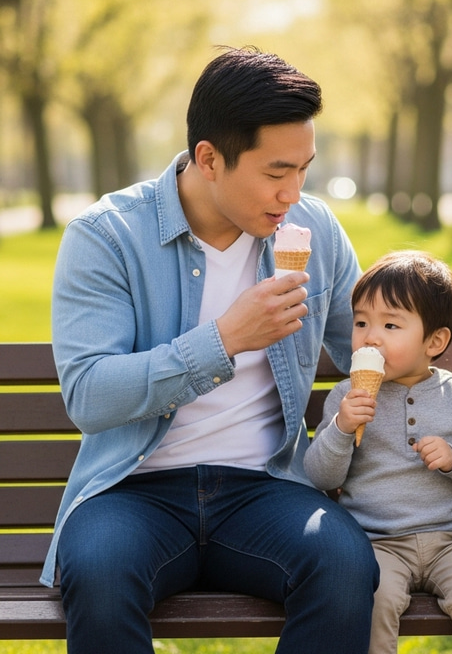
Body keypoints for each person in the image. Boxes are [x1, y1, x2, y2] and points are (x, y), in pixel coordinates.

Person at [43, 46, 379, 654]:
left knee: (344, 564)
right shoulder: (108, 236)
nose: (292, 193)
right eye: (276, 173)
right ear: (209, 158)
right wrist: (224, 340)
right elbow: (89, 395)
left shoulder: (315, 229)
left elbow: (370, 349)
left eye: (304, 170)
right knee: (98, 573)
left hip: (265, 486)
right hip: (132, 490)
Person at [304, 250, 452, 654]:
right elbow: (321, 477)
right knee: (371, 603)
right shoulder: (346, 397)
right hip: (375, 542)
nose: (370, 336)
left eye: (390, 324)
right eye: (361, 322)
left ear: (434, 341)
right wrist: (341, 429)